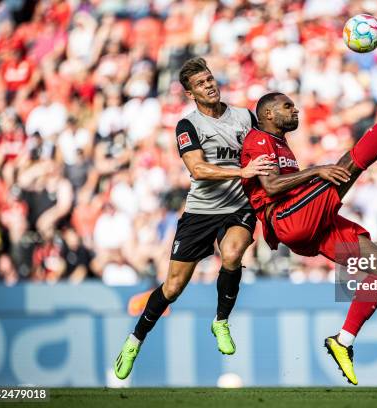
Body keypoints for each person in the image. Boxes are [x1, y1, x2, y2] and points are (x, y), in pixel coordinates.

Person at [241, 59, 377, 385]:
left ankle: (343, 341)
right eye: (288, 106)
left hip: (308, 226)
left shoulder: (281, 143)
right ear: (268, 114)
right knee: (347, 165)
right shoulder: (258, 140)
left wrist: (313, 174)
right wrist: (316, 170)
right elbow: (270, 187)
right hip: (288, 219)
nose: (295, 111)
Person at [114, 57, 274, 380]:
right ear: (190, 93)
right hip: (200, 211)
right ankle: (135, 340)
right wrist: (242, 171)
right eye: (201, 84)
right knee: (172, 288)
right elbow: (198, 169)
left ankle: (221, 320)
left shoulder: (244, 117)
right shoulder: (188, 126)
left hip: (238, 207)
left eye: (210, 79)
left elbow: (266, 150)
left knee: (231, 254)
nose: (209, 86)